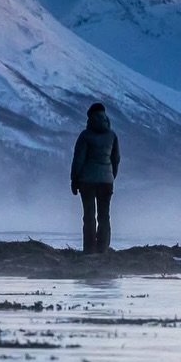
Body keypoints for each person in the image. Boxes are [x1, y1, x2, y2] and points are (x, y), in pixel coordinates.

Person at [70, 102, 120, 254]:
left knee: (89, 216)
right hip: (106, 181)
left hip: (87, 182)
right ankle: (103, 249)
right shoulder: (112, 135)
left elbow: (78, 159)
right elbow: (116, 159)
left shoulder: (85, 136)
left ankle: (89, 250)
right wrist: (111, 176)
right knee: (104, 216)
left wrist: (74, 179)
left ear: (89, 117)